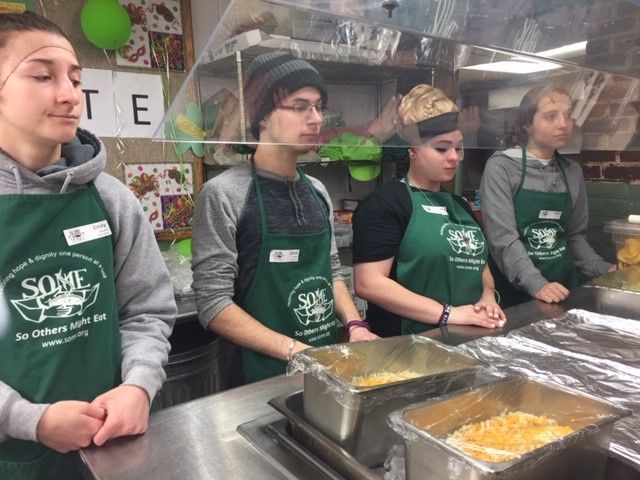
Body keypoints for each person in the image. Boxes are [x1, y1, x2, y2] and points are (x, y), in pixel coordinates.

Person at [0, 11, 176, 479]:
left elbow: (147, 311)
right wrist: (28, 419)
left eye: (76, 79)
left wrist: (139, 387)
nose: (69, 94)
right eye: (43, 76)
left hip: (110, 448)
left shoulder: (111, 198)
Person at [191, 51, 378, 385]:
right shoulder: (224, 194)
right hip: (257, 380)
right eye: (300, 106)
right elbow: (213, 304)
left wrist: (355, 325)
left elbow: (331, 272)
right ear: (262, 116)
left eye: (319, 106)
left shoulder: (317, 190)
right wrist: (296, 351)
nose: (316, 119)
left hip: (322, 368)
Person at [352, 84, 506, 337]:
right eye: (441, 148)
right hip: (408, 345)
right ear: (412, 150)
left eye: (458, 147)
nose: (454, 157)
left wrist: (488, 296)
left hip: (467, 336)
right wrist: (449, 314)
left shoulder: (459, 206)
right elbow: (368, 283)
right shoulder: (385, 204)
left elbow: (480, 267)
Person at [480, 85, 614, 307]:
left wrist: (606, 269)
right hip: (516, 297)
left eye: (568, 115)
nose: (563, 123)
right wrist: (536, 283)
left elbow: (574, 238)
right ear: (527, 124)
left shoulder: (572, 172)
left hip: (563, 290)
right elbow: (503, 239)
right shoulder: (502, 167)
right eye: (551, 116)